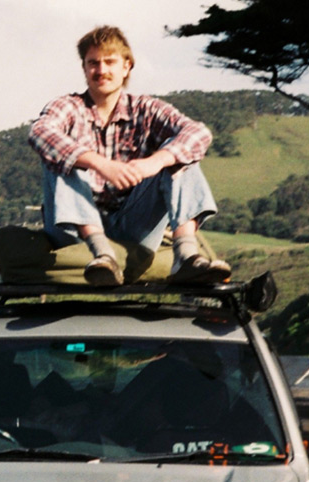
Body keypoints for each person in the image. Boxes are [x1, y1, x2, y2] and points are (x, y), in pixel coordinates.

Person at [28, 25, 231, 286]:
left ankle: (187, 257)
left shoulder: (146, 109)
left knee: (180, 154)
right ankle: (102, 256)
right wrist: (99, 164)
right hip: (73, 231)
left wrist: (154, 162)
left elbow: (198, 133)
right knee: (61, 155)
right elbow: (39, 131)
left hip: (133, 227)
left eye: (110, 62)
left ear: (126, 67)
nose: (101, 70)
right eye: (93, 63)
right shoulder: (67, 107)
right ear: (85, 69)